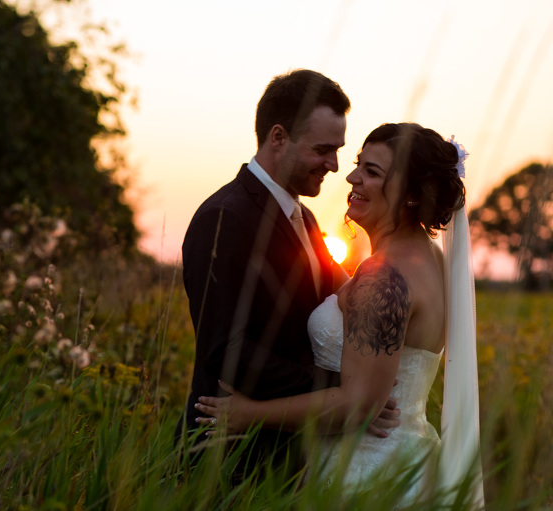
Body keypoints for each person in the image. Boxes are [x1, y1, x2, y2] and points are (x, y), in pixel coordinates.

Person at [195, 123, 485, 508]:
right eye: (358, 164)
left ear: (413, 195)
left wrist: (251, 414)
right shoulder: (427, 258)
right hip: (409, 458)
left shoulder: (383, 278)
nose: (351, 177)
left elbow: (359, 405)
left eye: (372, 172)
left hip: (365, 474)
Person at [175, 69, 396, 478]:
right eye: (323, 150)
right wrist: (342, 392)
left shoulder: (307, 220)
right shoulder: (224, 218)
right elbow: (227, 351)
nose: (334, 165)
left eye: (338, 151)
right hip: (229, 458)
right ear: (278, 137)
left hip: (290, 456)